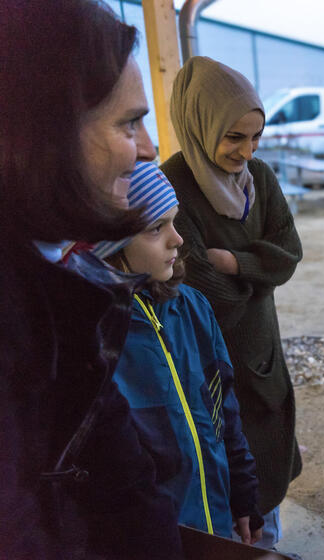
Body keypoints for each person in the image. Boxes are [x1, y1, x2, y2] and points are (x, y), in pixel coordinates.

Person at [0, 1, 183, 557]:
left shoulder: (66, 286)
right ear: (42, 132)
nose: (150, 148)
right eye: (129, 122)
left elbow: (126, 486)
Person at [161, 55, 303, 549]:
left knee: (267, 476)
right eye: (234, 137)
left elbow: (291, 253)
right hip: (210, 359)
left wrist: (236, 263)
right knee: (228, 479)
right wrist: (257, 274)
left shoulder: (259, 178)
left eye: (256, 136)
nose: (247, 150)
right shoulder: (173, 185)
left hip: (262, 350)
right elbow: (205, 294)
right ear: (200, 125)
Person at [91, 162, 264, 543]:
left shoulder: (192, 307)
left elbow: (225, 410)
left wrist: (244, 493)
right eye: (156, 228)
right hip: (155, 541)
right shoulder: (95, 342)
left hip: (216, 525)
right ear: (111, 242)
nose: (178, 239)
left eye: (174, 221)